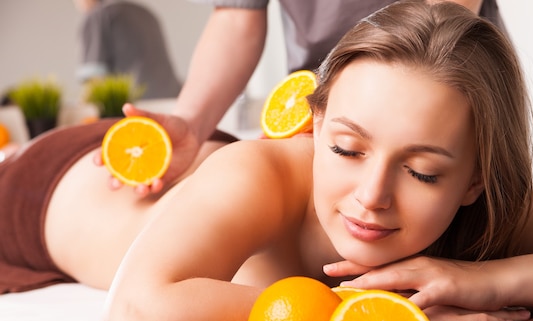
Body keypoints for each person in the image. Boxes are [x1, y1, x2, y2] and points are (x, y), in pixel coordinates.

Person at [0, 0, 533, 321]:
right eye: (347, 151)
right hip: (50, 182)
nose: (372, 196)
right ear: (315, 125)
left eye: (424, 173)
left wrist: (487, 280)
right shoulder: (263, 175)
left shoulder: (478, 205)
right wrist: (372, 312)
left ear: (477, 179)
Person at [108, 0, 507, 196]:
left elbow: (440, 27)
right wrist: (191, 122)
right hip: (318, 118)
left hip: (435, 100)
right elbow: (236, 17)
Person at [74, 0, 182, 99]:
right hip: (173, 99)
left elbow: (93, 80)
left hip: (136, 106)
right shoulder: (147, 14)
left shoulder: (97, 16)